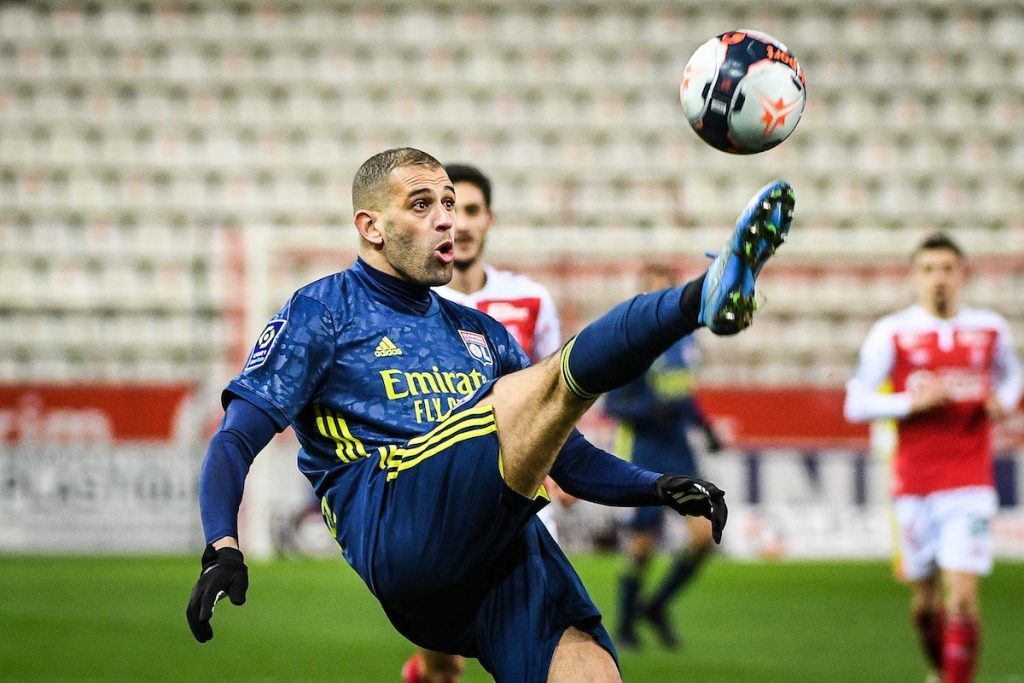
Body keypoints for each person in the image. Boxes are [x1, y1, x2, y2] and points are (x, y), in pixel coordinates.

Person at [186, 147, 794, 683]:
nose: (446, 219)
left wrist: (658, 488)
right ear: (370, 227)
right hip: (397, 518)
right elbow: (236, 438)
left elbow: (567, 454)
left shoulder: (480, 332)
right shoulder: (323, 311)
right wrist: (222, 544)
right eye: (422, 204)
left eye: (449, 203)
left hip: (494, 546)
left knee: (589, 669)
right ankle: (700, 297)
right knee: (547, 383)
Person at [402, 162, 573, 683]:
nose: (462, 222)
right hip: (442, 494)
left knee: (535, 644)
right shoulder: (412, 301)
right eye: (450, 209)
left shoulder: (531, 299)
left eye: (471, 209)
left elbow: (558, 391)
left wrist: (562, 468)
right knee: (443, 661)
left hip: (521, 492)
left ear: (489, 219)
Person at [844, 232, 1022, 683]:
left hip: (971, 480)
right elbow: (856, 403)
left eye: (946, 268)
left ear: (963, 274)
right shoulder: (893, 332)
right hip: (915, 483)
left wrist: (1003, 400)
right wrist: (909, 403)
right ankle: (940, 670)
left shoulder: (991, 328)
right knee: (926, 608)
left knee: (962, 599)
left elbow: (1012, 377)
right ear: (913, 277)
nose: (937, 278)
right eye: (928, 270)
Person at [603, 264, 723, 651]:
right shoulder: (628, 343)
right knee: (641, 545)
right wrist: (649, 411)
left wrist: (704, 428)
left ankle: (655, 605)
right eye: (651, 292)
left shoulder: (684, 343)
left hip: (678, 450)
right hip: (643, 450)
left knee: (704, 537)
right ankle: (623, 626)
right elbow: (613, 403)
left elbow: (683, 395)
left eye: (665, 292)